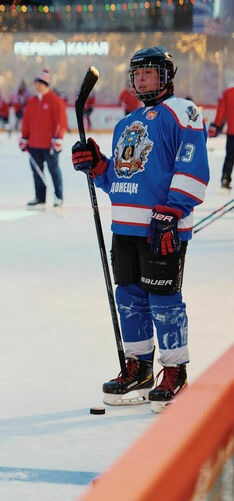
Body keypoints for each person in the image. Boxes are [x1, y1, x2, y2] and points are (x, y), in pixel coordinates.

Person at [71, 46, 209, 414]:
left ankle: (174, 371)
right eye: (139, 73)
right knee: (129, 300)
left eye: (151, 72)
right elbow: (121, 178)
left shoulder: (184, 113)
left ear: (167, 76)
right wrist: (97, 166)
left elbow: (192, 166)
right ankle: (139, 367)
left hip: (161, 227)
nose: (144, 78)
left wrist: (171, 212)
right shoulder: (124, 124)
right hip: (125, 227)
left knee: (164, 302)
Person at [19, 69, 67, 208]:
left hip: (49, 144)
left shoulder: (55, 101)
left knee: (53, 170)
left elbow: (60, 122)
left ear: (46, 84)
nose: (38, 86)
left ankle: (58, 197)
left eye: (41, 84)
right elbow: (26, 121)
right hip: (34, 144)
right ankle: (40, 198)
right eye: (36, 84)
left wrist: (58, 138)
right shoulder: (31, 102)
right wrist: (24, 138)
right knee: (37, 172)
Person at [208, 83, 234, 190]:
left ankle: (225, 178)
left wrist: (216, 126)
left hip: (232, 131)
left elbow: (221, 111)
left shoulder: (228, 93)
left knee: (230, 157)